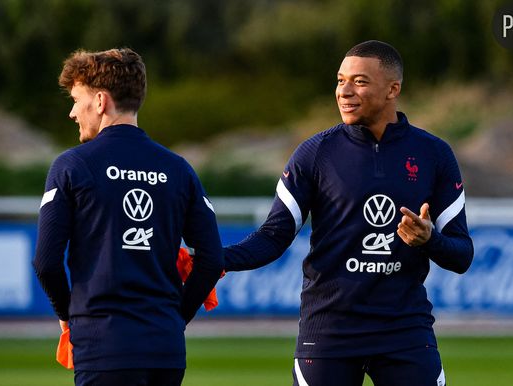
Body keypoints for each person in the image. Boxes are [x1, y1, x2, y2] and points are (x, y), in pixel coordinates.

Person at [223, 40, 473, 386]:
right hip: (329, 332)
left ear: (392, 89)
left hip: (405, 330)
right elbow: (272, 237)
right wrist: (215, 258)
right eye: (341, 80)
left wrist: (430, 240)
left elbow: (462, 255)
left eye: (359, 81)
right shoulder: (315, 153)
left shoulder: (434, 154)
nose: (345, 91)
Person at [33, 48, 224, 386]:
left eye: (77, 99)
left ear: (101, 101)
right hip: (165, 351)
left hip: (103, 348)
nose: (72, 112)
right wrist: (175, 318)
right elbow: (210, 260)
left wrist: (68, 318)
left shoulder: (72, 165)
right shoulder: (178, 169)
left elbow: (46, 262)